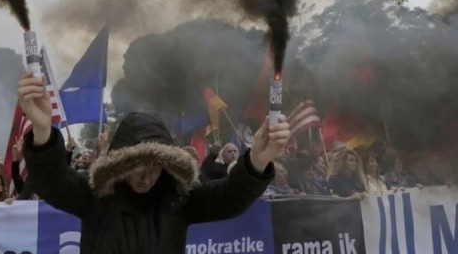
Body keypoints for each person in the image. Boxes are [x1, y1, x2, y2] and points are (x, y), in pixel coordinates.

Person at [18, 72, 290, 254]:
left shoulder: (180, 198)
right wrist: (43, 131)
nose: (148, 177)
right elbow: (52, 180)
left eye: (157, 167)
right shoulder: (95, 195)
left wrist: (258, 159)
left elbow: (230, 197)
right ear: (120, 165)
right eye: (139, 166)